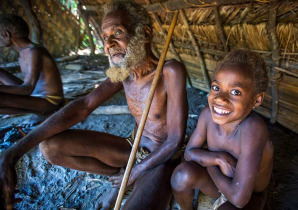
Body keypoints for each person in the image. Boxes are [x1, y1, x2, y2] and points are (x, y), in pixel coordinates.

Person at [0, 1, 188, 210]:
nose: (109, 43)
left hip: (162, 157)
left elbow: (174, 140)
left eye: (118, 32)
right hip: (132, 149)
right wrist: (14, 151)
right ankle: (119, 176)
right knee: (50, 147)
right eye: (105, 37)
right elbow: (83, 106)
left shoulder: (169, 71)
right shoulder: (123, 73)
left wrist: (135, 173)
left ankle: (127, 180)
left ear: (143, 33)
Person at [171, 49, 274, 210]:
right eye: (216, 87)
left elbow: (239, 199)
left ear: (256, 100)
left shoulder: (253, 129)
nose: (220, 98)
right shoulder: (207, 115)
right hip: (221, 183)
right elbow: (189, 153)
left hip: (249, 194)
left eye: (235, 92)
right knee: (181, 176)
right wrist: (219, 159)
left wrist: (209, 163)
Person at [0, 14, 64, 117]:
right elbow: (26, 88)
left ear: (6, 34)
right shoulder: (23, 53)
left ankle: (42, 111)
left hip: (49, 102)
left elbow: (26, 89)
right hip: (34, 96)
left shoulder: (34, 51)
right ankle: (35, 111)